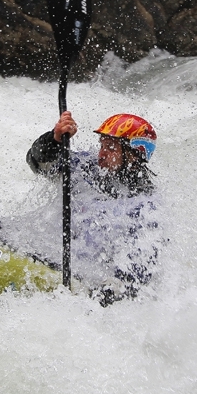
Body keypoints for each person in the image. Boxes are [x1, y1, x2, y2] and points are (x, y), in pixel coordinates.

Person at [24, 111, 161, 305]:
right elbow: (37, 163)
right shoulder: (86, 167)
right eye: (102, 145)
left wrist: (105, 292)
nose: (101, 154)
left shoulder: (146, 209)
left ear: (132, 156)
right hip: (47, 254)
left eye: (110, 148)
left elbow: (136, 276)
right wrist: (54, 140)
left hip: (81, 282)